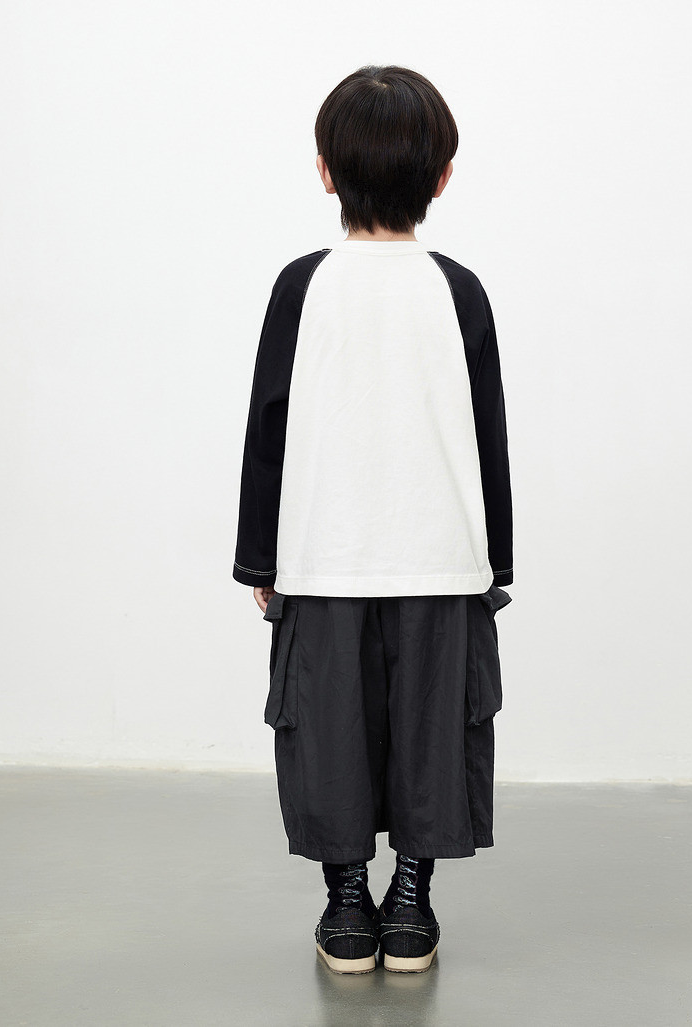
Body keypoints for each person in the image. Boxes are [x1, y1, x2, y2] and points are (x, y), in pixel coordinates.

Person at [232, 64, 513, 975]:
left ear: (325, 171)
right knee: (434, 731)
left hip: (326, 555)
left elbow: (268, 428)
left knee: (330, 735)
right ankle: (411, 902)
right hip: (441, 558)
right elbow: (488, 435)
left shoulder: (301, 285)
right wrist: (496, 562)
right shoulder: (459, 289)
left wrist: (259, 559)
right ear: (443, 176)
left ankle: (348, 902)